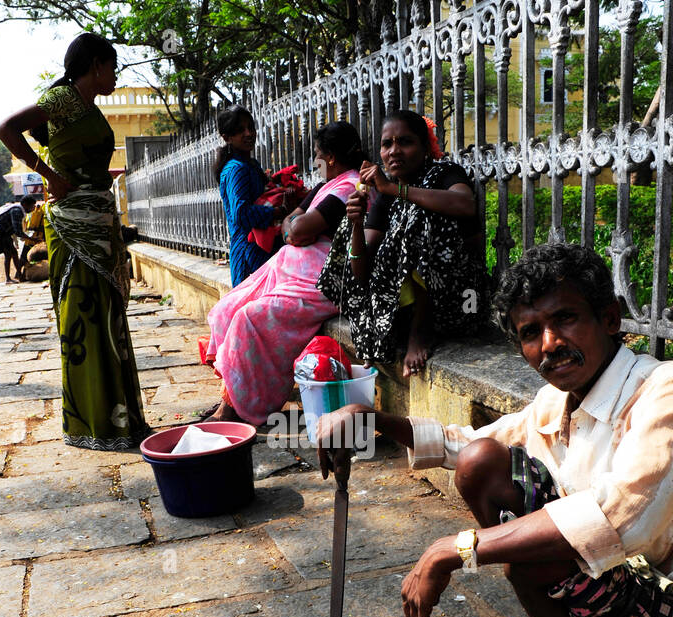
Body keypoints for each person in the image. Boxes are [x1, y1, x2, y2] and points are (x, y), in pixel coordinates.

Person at [317, 242, 673, 617]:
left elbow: (621, 520)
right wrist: (371, 418)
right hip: (616, 597)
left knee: (534, 546)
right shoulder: (556, 401)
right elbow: (464, 445)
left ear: (610, 318)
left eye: (565, 319)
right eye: (530, 332)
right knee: (482, 464)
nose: (549, 344)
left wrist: (454, 550)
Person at [0, 32, 147, 450]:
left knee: (109, 318)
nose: (114, 75)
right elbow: (5, 128)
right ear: (96, 64)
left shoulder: (88, 108)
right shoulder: (63, 99)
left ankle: (121, 419)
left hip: (97, 220)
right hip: (74, 225)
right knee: (86, 318)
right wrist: (47, 173)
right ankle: (93, 423)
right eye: (112, 66)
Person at [203, 122, 364, 425]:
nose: (314, 162)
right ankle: (231, 394)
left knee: (247, 319)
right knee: (225, 310)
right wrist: (293, 227)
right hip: (288, 268)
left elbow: (297, 226)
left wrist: (292, 227)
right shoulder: (325, 186)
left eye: (317, 155)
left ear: (330, 157)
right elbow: (293, 223)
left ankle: (237, 406)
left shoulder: (347, 186)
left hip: (315, 279)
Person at [318, 109, 489, 377]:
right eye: (387, 144)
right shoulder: (387, 193)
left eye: (405, 142)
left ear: (425, 148)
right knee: (347, 232)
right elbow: (361, 274)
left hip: (461, 300)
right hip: (402, 311)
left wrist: (395, 190)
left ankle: (421, 331)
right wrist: (355, 224)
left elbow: (465, 204)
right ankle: (388, 330)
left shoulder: (444, 172)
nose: (394, 151)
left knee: (418, 214)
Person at [214, 105, 297, 286]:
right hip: (249, 252)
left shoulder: (249, 164)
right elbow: (241, 213)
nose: (248, 133)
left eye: (250, 127)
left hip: (261, 247)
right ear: (226, 138)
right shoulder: (237, 169)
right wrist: (278, 212)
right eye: (240, 130)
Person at [0, 197, 35, 283]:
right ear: (25, 204)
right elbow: (17, 230)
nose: (32, 209)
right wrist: (30, 238)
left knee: (13, 253)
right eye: (31, 206)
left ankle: (19, 276)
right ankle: (8, 278)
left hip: (4, 232)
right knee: (9, 254)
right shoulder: (17, 211)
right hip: (0, 231)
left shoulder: (17, 209)